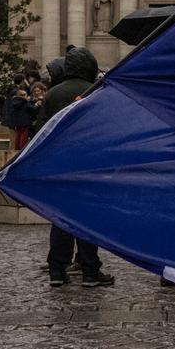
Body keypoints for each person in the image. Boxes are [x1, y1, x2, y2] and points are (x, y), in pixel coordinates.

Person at [40, 46, 115, 287]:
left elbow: (41, 131)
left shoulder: (52, 94)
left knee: (60, 219)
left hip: (59, 166)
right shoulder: (96, 91)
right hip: (89, 165)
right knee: (87, 218)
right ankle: (90, 270)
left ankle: (57, 270)